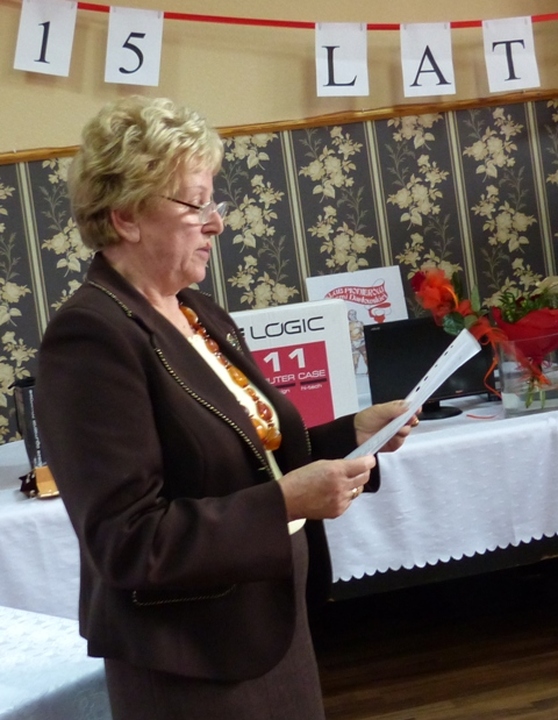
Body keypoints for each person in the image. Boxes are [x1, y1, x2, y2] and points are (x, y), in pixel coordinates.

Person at [35, 95, 417, 720]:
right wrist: (286, 503)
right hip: (189, 657)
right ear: (126, 216)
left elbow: (249, 456)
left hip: (266, 628)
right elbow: (128, 541)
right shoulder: (90, 338)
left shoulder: (196, 311)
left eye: (214, 203)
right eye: (195, 204)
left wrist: (350, 434)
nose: (216, 224)